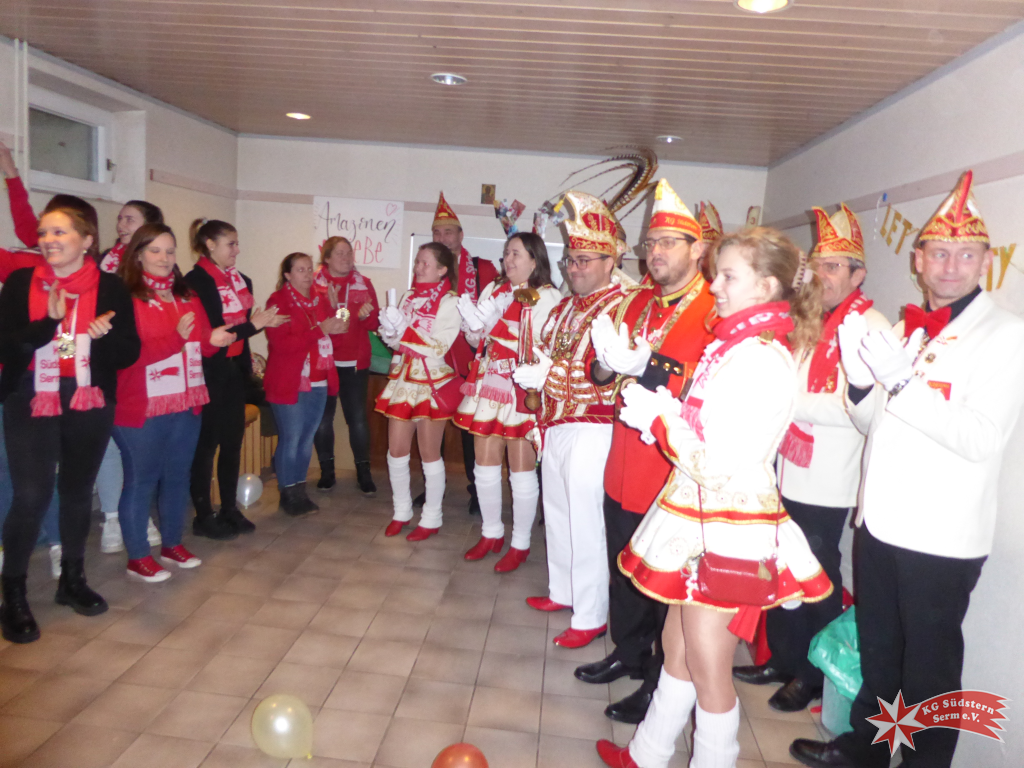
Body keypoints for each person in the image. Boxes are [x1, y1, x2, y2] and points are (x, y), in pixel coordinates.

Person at [791, 172, 1024, 768]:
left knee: (930, 672)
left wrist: (900, 383)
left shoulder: (1005, 335)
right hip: (879, 525)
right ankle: (864, 752)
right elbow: (875, 424)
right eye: (938, 253)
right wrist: (862, 387)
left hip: (940, 537)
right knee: (880, 653)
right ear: (918, 261)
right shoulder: (907, 328)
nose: (950, 266)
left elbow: (980, 439)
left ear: (985, 262)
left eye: (964, 255)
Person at [596, 227, 833, 768]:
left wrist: (661, 420)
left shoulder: (759, 358)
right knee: (678, 644)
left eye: (728, 276)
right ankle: (647, 753)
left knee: (709, 667)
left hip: (730, 531)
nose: (715, 286)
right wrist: (665, 407)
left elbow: (719, 464)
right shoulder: (736, 346)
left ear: (765, 286)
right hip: (705, 518)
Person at [733, 204, 889, 714]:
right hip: (787, 466)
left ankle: (813, 675)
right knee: (780, 567)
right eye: (818, 265)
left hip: (828, 477)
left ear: (858, 275)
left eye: (835, 266)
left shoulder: (870, 327)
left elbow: (857, 408)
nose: (823, 275)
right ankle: (783, 658)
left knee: (817, 576)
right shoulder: (811, 319)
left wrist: (788, 403)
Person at [577, 180, 716, 725]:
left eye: (668, 243)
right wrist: (607, 364)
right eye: (651, 243)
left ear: (697, 249)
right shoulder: (634, 301)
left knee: (663, 581)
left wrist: (649, 366)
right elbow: (598, 372)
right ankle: (629, 652)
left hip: (669, 467)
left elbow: (707, 385)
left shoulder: (713, 308)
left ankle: (659, 680)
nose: (655, 252)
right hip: (623, 459)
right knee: (624, 567)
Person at [0, 207, 140, 644]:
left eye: (59, 231)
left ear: (87, 239)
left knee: (78, 490)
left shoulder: (111, 287)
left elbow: (128, 352)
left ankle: (72, 580)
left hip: (87, 396)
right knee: (31, 495)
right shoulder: (22, 283)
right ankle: (13, 594)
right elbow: (7, 344)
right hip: (30, 395)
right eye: (44, 232)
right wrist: (48, 322)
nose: (48, 239)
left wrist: (103, 338)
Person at [512, 190, 632, 649]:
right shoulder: (565, 306)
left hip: (596, 428)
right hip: (557, 424)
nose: (574, 268)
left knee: (586, 523)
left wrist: (553, 374)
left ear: (609, 260)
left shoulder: (625, 305)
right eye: (570, 260)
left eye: (584, 260)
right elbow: (548, 350)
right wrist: (537, 372)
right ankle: (562, 591)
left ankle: (591, 613)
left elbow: (612, 374)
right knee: (559, 514)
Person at [112, 223, 236, 582]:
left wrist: (213, 339)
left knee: (178, 477)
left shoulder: (186, 294)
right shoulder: (124, 296)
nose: (164, 258)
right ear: (138, 254)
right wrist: (175, 340)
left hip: (186, 400)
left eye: (170, 251)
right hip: (142, 405)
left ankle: (171, 544)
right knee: (141, 481)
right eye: (155, 251)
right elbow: (123, 356)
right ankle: (138, 556)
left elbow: (199, 340)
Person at [455, 232, 561, 571]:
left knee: (521, 469)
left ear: (534, 259)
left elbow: (544, 344)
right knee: (484, 465)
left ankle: (521, 543)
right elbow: (479, 342)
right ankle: (491, 533)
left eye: (516, 253)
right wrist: (475, 327)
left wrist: (497, 326)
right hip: (490, 384)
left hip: (522, 390)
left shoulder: (548, 295)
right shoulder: (494, 289)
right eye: (506, 253)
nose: (508, 259)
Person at [185, 219, 286, 538]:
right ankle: (204, 515)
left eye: (237, 243)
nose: (237, 250)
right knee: (206, 447)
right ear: (210, 244)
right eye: (231, 243)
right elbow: (216, 333)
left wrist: (257, 327)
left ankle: (229, 508)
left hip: (233, 372)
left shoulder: (241, 280)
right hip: (208, 373)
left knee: (232, 443)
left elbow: (241, 330)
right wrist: (254, 325)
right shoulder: (195, 281)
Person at [375, 242, 460, 541]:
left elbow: (439, 347)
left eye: (425, 263)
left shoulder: (451, 302)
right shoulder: (409, 296)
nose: (418, 267)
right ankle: (401, 512)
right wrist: (390, 332)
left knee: (429, 453)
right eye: (417, 262)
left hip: (431, 381)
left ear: (442, 269)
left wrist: (404, 332)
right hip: (403, 380)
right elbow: (397, 344)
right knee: (396, 451)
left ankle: (432, 517)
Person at [96, 199, 165, 555]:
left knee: (140, 449)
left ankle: (138, 515)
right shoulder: (102, 262)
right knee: (109, 446)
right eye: (120, 218)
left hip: (143, 367)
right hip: (105, 366)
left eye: (130, 219)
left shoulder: (161, 271)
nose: (121, 224)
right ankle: (111, 517)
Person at [427, 192, 499, 515]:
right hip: (438, 357)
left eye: (448, 232)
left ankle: (476, 490)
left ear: (461, 235)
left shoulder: (482, 268)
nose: (442, 238)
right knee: (433, 423)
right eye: (437, 233)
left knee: (472, 428)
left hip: (472, 359)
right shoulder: (427, 270)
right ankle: (433, 488)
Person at [265, 253, 344, 516]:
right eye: (301, 270)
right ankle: (288, 493)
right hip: (290, 380)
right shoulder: (278, 301)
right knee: (291, 438)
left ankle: (299, 491)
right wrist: (319, 330)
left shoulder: (320, 299)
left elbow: (339, 331)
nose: (308, 274)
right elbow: (282, 344)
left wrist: (338, 308)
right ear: (287, 275)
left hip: (319, 380)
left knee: (307, 438)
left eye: (310, 269)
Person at [311, 236, 380, 494]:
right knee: (323, 419)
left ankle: (364, 473)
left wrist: (366, 315)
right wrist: (330, 305)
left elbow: (374, 323)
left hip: (354, 361)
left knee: (357, 418)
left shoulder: (364, 283)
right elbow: (313, 322)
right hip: (323, 361)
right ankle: (327, 472)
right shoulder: (313, 285)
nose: (346, 258)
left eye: (349, 253)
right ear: (327, 258)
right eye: (339, 253)